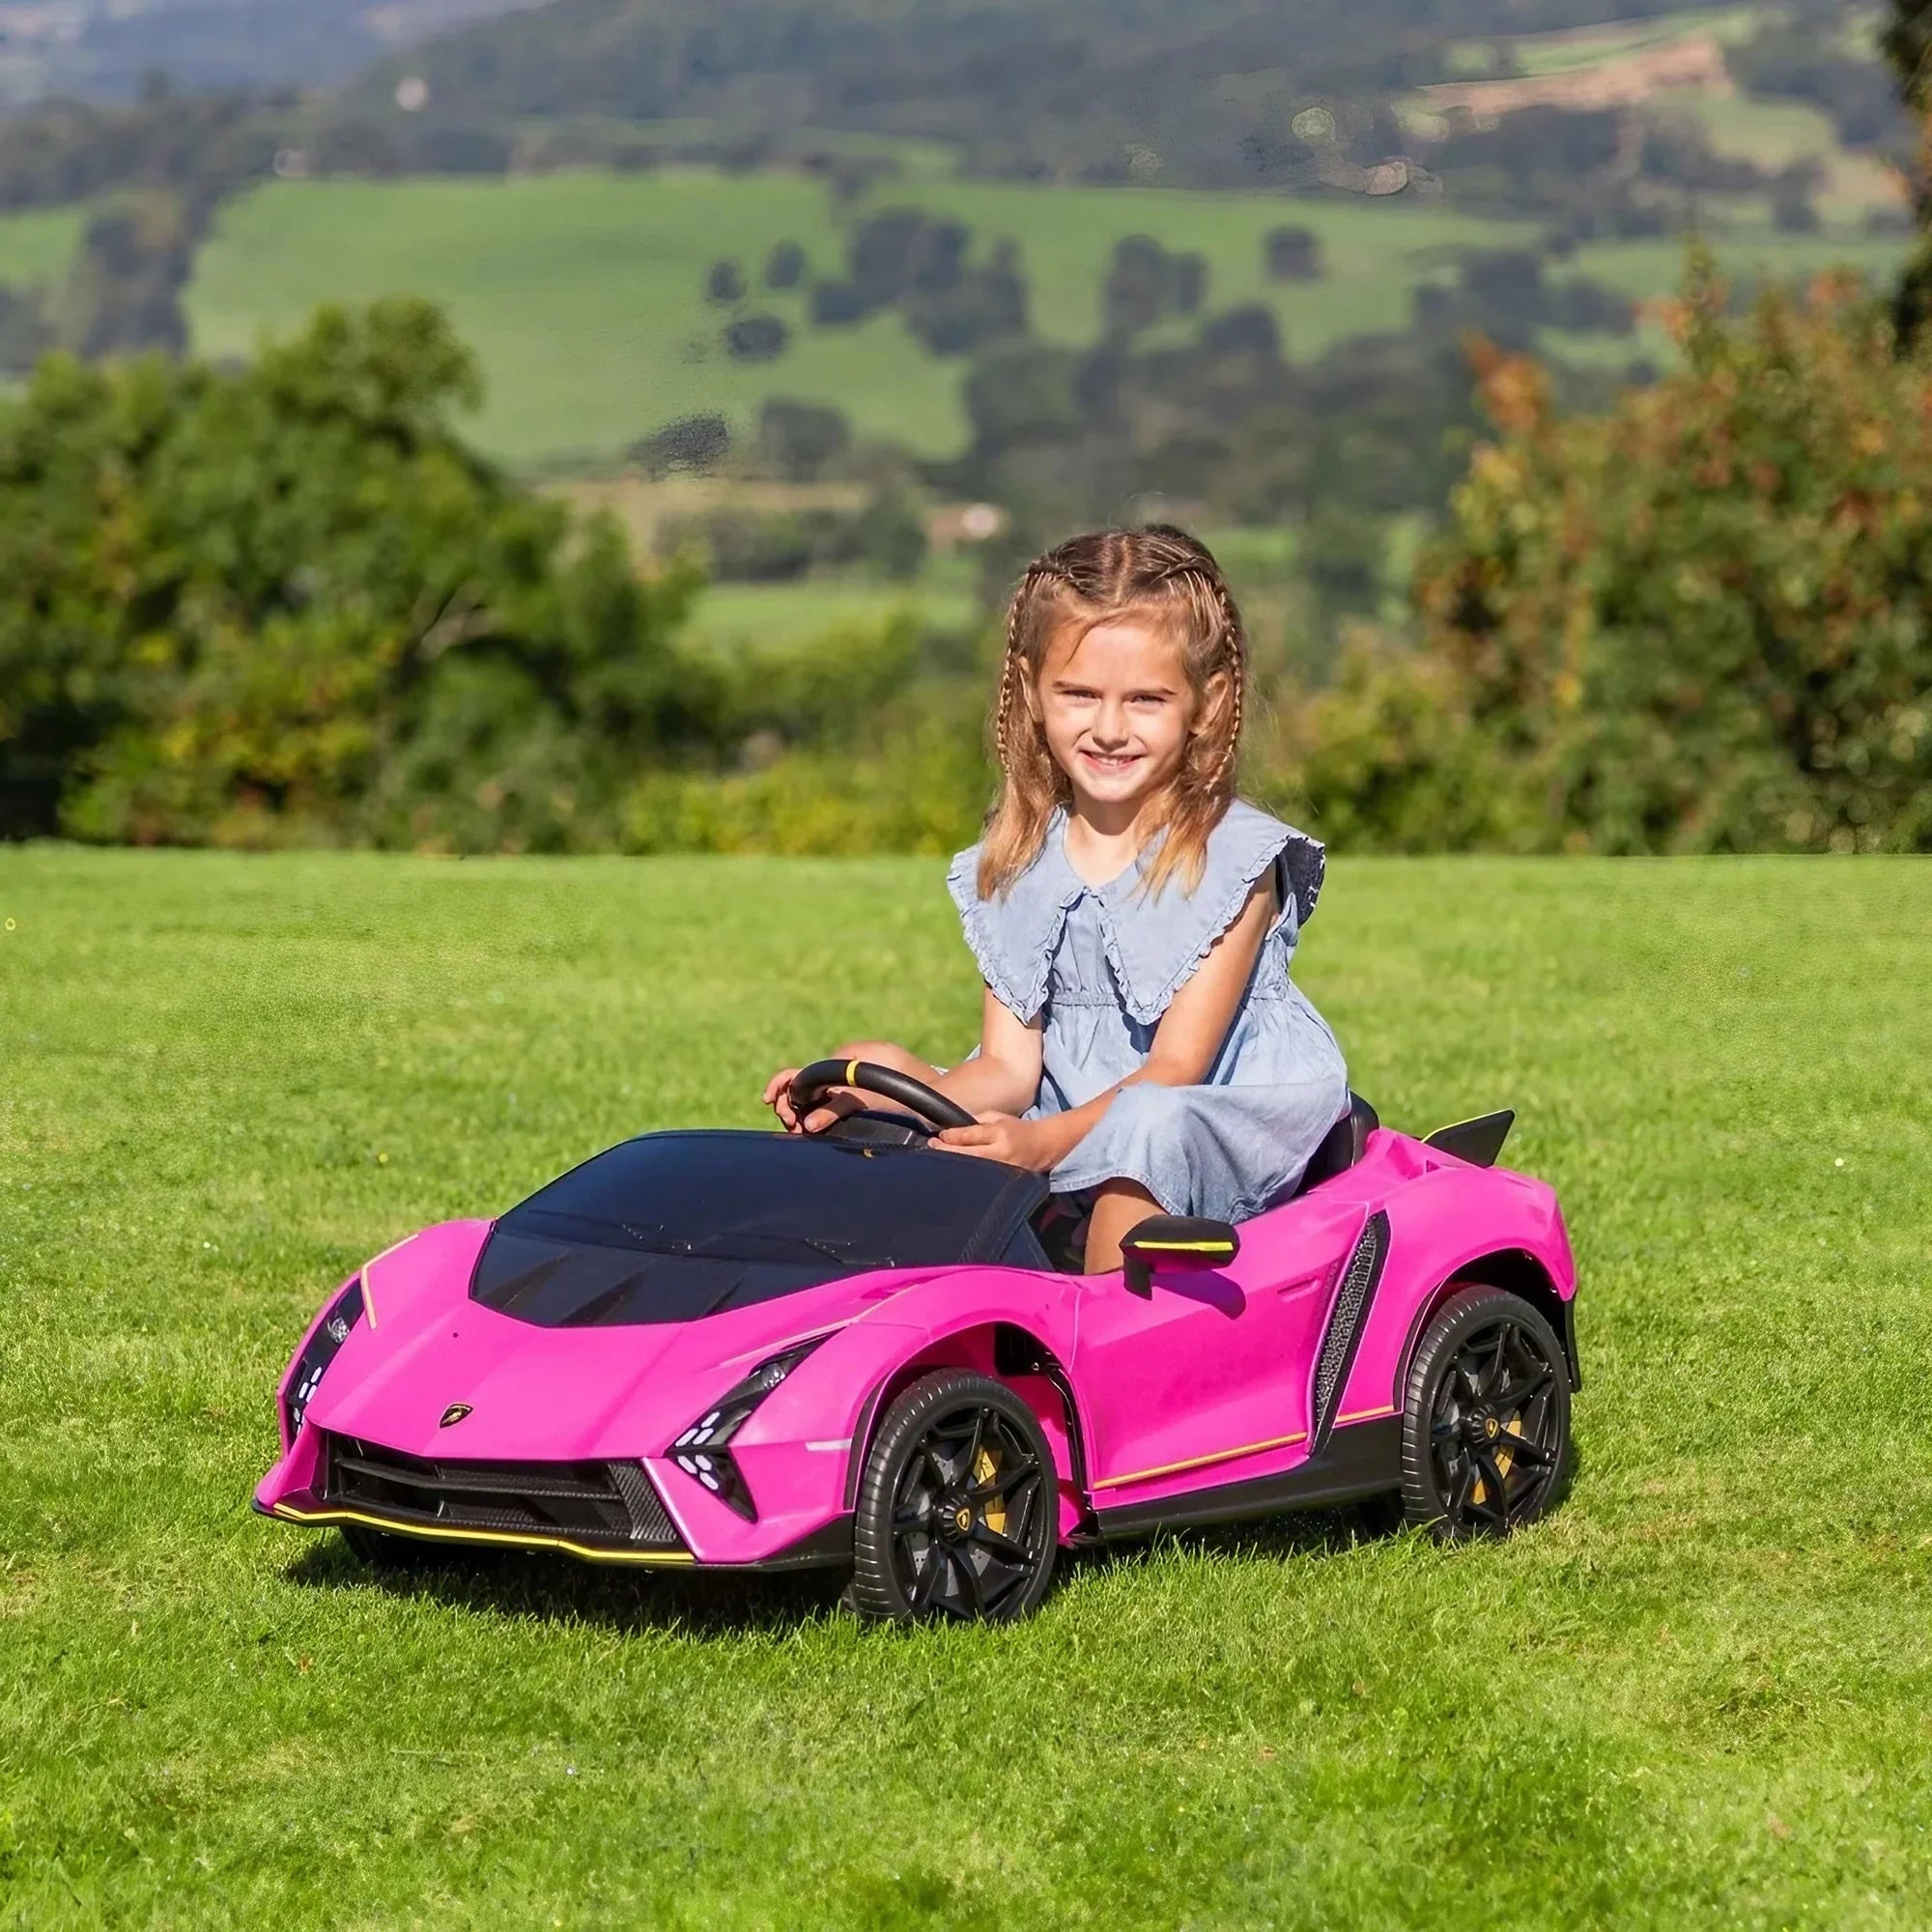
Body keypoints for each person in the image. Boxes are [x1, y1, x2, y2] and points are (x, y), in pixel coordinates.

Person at [763, 525, 1349, 1273]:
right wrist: (903, 1101)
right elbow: (1010, 1068)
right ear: (1032, 690)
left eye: (1145, 699)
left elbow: (1174, 1070)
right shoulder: (1018, 860)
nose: (1108, 729)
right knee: (863, 1067)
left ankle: (1100, 1347)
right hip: (1062, 1102)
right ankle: (845, 1288)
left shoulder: (1233, 861)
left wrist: (1037, 1145)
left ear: (1207, 703)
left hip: (1202, 1111)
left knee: (1146, 1125)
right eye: (1078, 694)